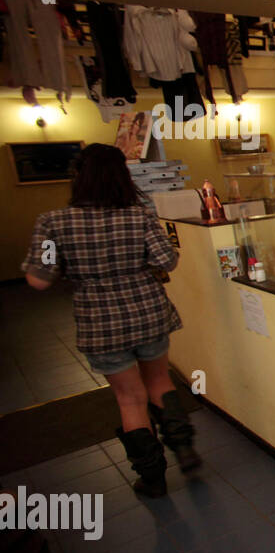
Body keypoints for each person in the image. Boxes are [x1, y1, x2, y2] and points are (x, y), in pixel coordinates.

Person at [21, 143, 200, 498]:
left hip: (100, 320)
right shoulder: (140, 214)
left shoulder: (53, 222)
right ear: (123, 177)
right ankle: (183, 447)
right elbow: (168, 261)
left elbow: (38, 279)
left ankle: (153, 478)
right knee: (159, 380)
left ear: (78, 179)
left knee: (130, 399)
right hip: (148, 310)